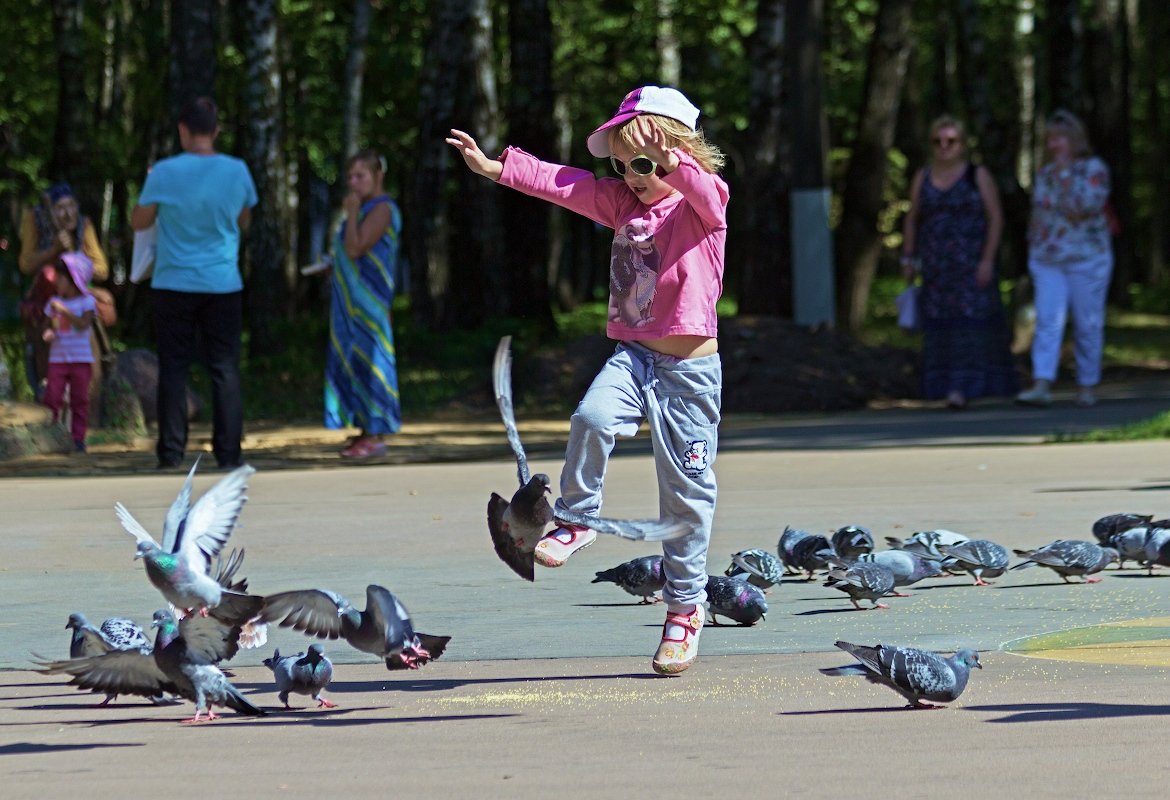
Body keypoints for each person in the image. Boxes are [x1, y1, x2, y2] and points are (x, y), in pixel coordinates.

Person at [447, 85, 728, 675]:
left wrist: (672, 165)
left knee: (685, 498)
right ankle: (578, 518)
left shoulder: (701, 206)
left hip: (690, 374)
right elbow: (566, 184)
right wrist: (498, 169)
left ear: (681, 152)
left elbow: (708, 191)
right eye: (622, 166)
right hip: (635, 357)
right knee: (591, 417)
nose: (631, 177)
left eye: (643, 164)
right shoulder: (624, 204)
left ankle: (684, 610)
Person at [130, 97, 258, 469]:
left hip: (173, 283)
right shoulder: (237, 171)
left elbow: (139, 221)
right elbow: (245, 220)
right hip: (223, 283)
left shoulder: (164, 173)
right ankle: (229, 453)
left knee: (173, 367)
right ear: (216, 131)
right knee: (224, 368)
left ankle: (171, 453)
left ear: (183, 130)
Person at [901, 115, 1017, 409]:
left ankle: (968, 387)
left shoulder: (977, 176)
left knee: (971, 326)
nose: (944, 147)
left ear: (962, 144)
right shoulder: (923, 177)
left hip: (971, 263)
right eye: (937, 141)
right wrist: (908, 256)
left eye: (951, 141)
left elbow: (996, 219)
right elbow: (913, 218)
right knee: (940, 326)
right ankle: (942, 385)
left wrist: (988, 260)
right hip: (936, 266)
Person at [1016, 109, 1113, 408]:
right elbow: (1039, 212)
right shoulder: (1045, 173)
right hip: (1048, 258)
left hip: (1088, 258)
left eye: (1059, 139)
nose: (1054, 145)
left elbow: (1082, 207)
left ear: (1074, 140)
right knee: (1047, 320)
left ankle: (1087, 386)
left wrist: (1065, 177)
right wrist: (1033, 247)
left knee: (1088, 322)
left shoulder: (1093, 169)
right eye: (1050, 139)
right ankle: (1042, 382)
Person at [324, 150, 403, 458]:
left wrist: (353, 212)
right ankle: (363, 428)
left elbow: (356, 247)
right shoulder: (364, 206)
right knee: (354, 360)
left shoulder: (382, 208)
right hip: (350, 302)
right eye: (350, 177)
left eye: (361, 176)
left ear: (377, 176)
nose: (353, 183)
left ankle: (377, 432)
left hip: (370, 302)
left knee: (372, 361)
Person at [18, 182, 110, 401]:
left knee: (102, 306)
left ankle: (105, 358)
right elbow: (26, 264)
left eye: (71, 206)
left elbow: (102, 269)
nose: (68, 213)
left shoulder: (83, 225)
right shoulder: (36, 219)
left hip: (80, 294)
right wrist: (53, 251)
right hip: (48, 295)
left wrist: (80, 267)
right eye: (60, 207)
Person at [41, 253, 98, 452]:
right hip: (57, 359)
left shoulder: (87, 302)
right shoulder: (53, 302)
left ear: (74, 279)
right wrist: (48, 333)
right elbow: (48, 326)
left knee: (79, 400)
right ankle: (51, 435)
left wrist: (64, 311)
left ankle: (78, 438)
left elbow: (84, 324)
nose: (57, 281)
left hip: (81, 360)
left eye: (61, 278)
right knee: (52, 398)